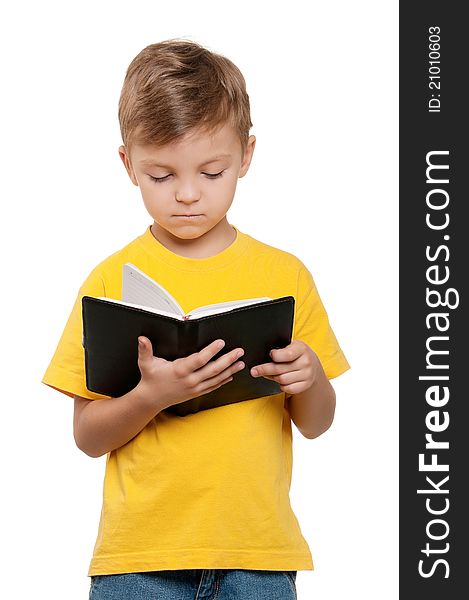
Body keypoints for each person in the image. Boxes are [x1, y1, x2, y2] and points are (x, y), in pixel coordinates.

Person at [41, 38, 350, 600]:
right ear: (128, 163)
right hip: (140, 561)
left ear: (247, 156)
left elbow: (317, 422)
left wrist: (311, 378)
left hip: (255, 556)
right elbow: (87, 437)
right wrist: (149, 398)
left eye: (212, 172)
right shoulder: (110, 281)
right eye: (161, 176)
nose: (187, 195)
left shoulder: (286, 275)